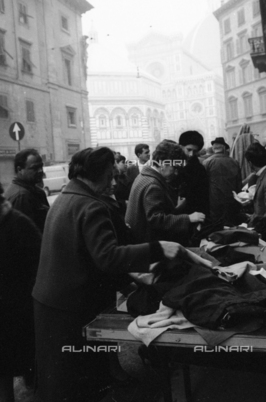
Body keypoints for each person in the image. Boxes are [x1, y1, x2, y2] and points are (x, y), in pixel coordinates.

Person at [32, 147, 185, 402]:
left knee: (59, 379)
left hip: (51, 302)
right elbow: (108, 256)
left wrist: (130, 279)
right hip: (70, 305)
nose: (114, 182)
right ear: (95, 174)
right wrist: (158, 248)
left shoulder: (66, 197)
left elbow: (87, 256)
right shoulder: (91, 206)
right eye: (109, 175)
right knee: (77, 380)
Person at [0, 183, 41, 402]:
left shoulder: (18, 223)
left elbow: (38, 262)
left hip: (18, 306)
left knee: (27, 360)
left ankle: (32, 390)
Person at [125, 141, 205, 245]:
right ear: (163, 162)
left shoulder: (144, 176)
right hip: (150, 245)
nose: (176, 173)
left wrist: (176, 209)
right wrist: (189, 218)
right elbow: (156, 220)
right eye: (175, 168)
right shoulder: (153, 185)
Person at [5, 149, 49, 233]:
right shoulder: (22, 196)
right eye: (35, 168)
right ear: (19, 169)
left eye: (41, 166)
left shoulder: (35, 191)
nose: (40, 171)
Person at [203, 137, 242, 226]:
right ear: (224, 148)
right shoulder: (234, 162)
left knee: (217, 229)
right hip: (231, 202)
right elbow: (238, 184)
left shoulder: (206, 162)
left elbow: (203, 186)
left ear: (213, 149)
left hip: (214, 203)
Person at [177, 131, 210, 217]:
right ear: (181, 147)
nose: (191, 154)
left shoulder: (199, 169)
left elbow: (203, 196)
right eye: (189, 150)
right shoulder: (172, 165)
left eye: (195, 151)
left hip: (193, 213)